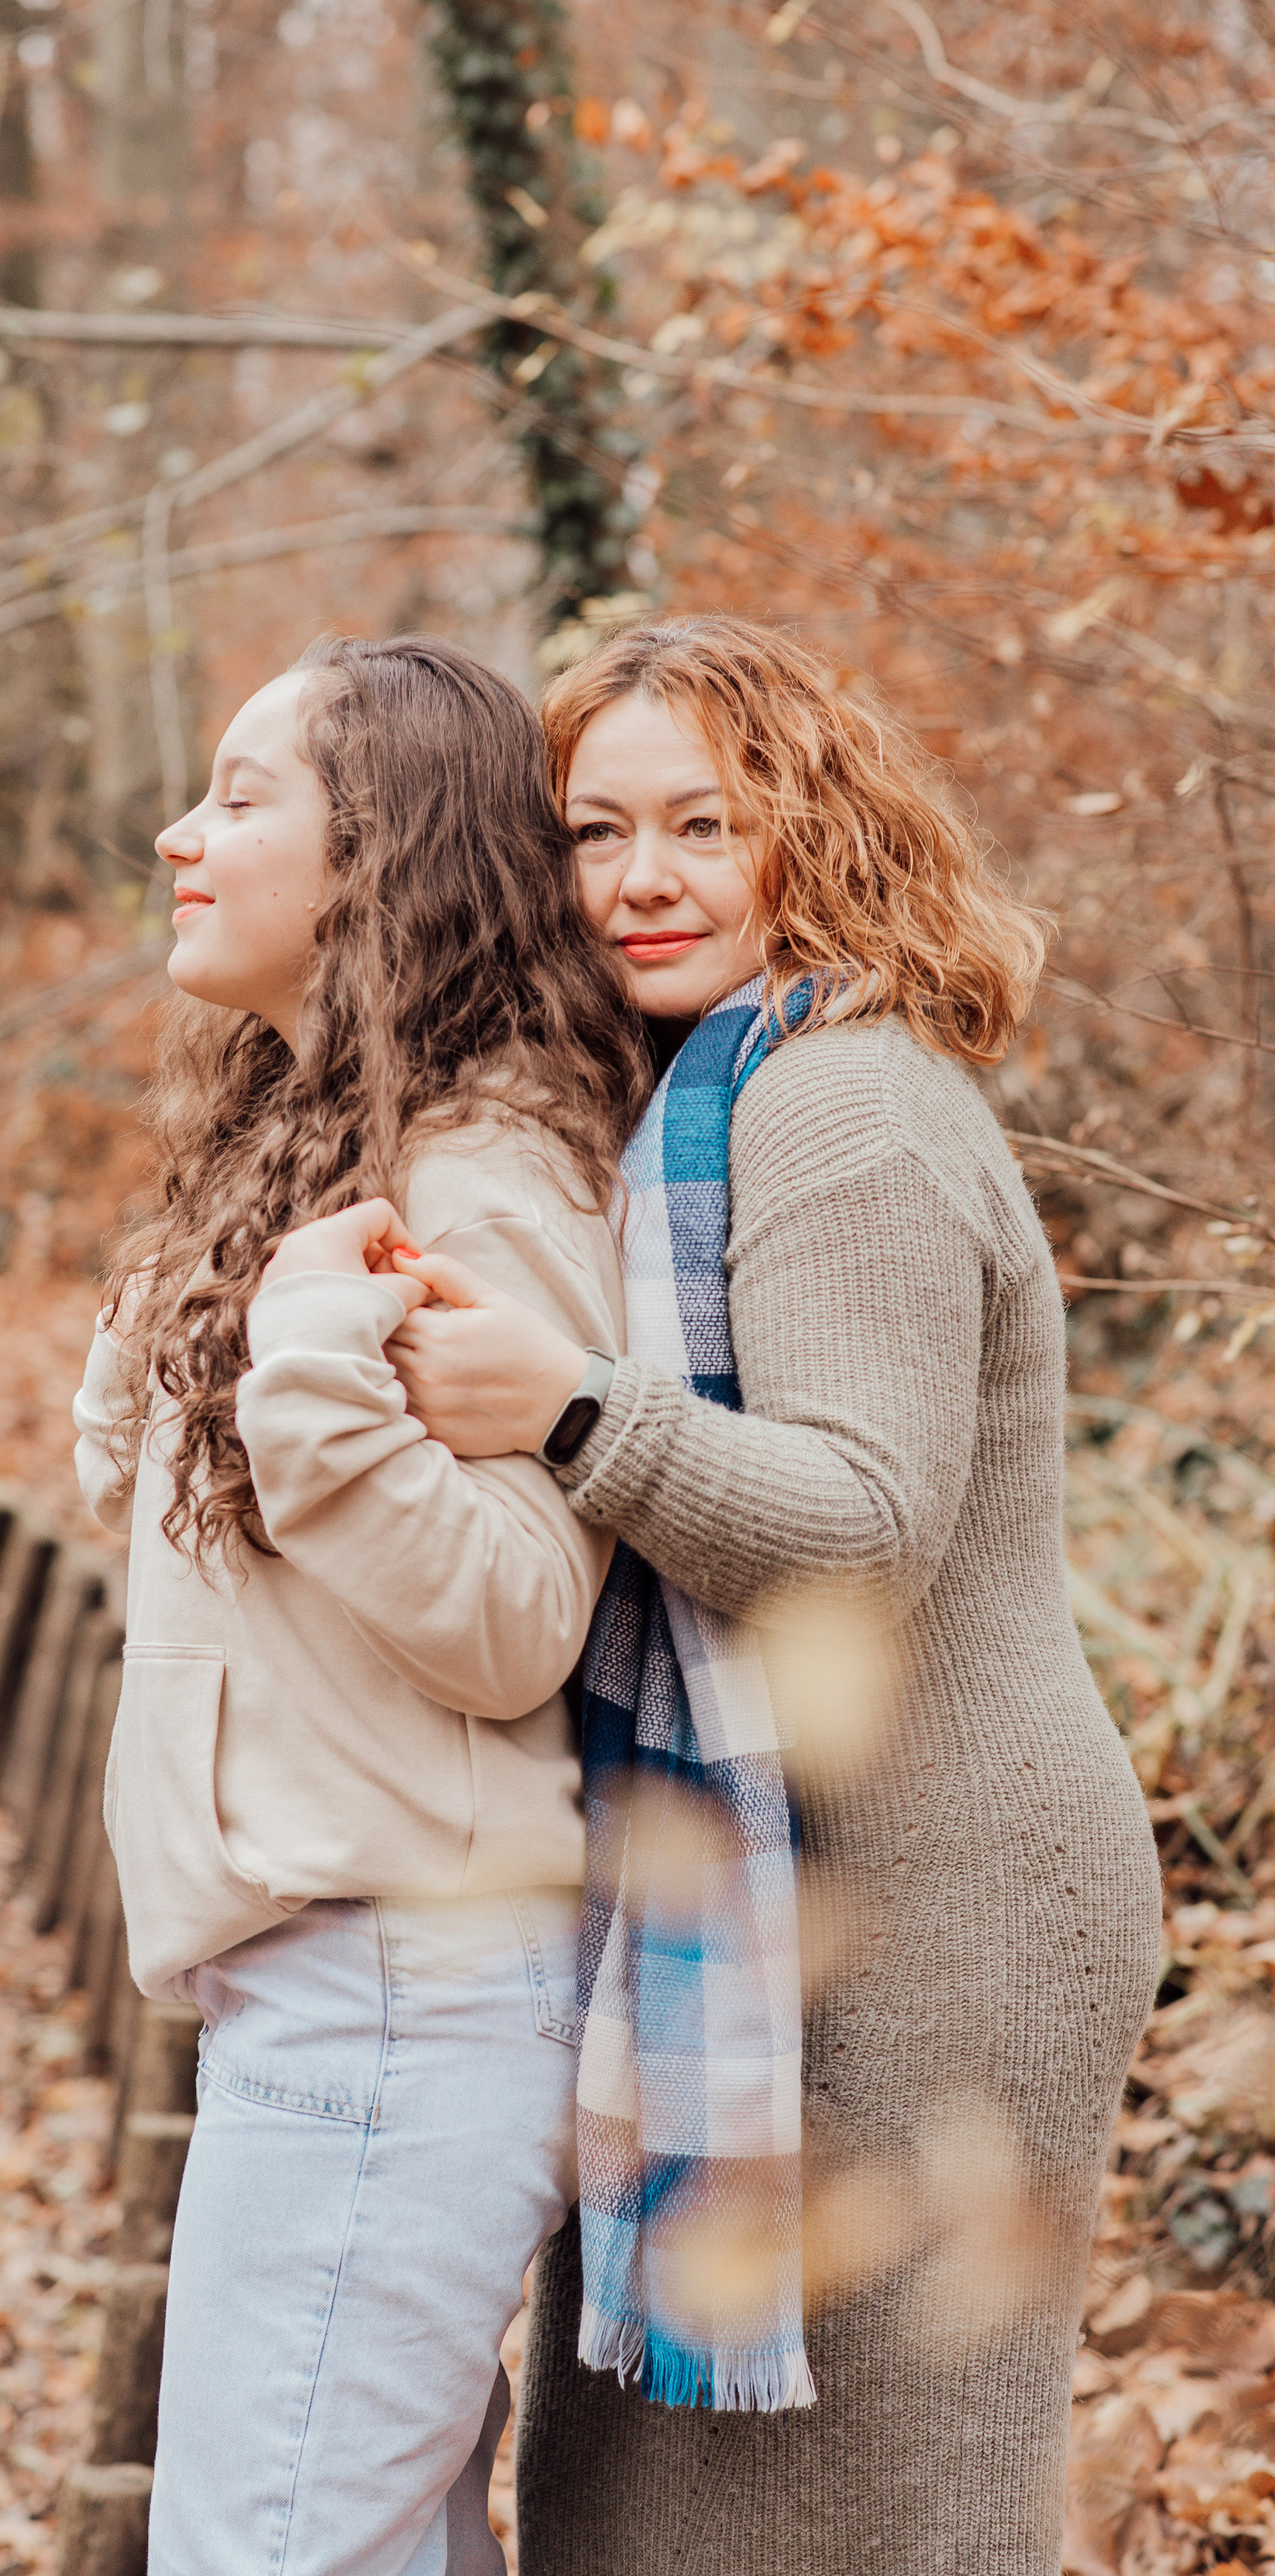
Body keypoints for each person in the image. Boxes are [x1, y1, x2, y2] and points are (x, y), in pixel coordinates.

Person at [382, 616, 1163, 2576]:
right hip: (789, 1884)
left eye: (705, 825)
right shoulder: (693, 1100)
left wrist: (569, 1411)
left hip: (947, 1905)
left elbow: (862, 1528)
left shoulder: (839, 1104)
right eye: (595, 831)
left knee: (891, 2512)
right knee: (660, 2507)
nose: (640, 879)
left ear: (815, 835)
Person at [71, 634, 650, 2576]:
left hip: (400, 1988)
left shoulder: (484, 1171)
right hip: (332, 1983)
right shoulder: (330, 1144)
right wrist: (188, 1326)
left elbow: (515, 1617)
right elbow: (218, 1543)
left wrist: (301, 1378)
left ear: (376, 856)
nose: (181, 835)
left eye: (243, 799)